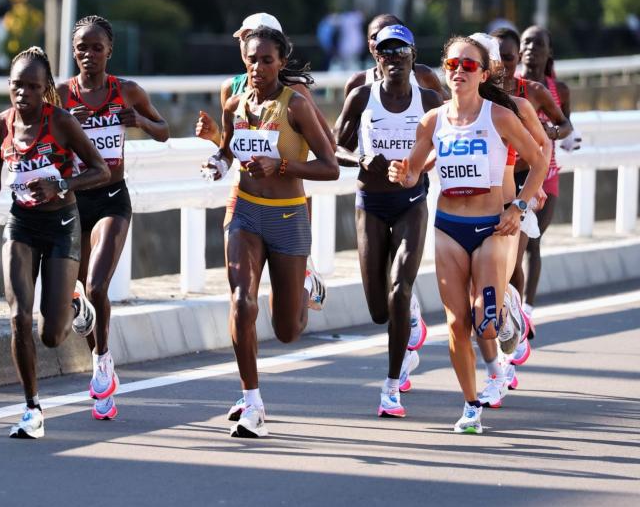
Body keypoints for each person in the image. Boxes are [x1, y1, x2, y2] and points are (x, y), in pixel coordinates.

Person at [388, 36, 547, 434]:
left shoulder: (500, 116)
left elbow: (539, 159)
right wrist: (402, 173)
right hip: (449, 229)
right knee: (457, 322)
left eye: (469, 65)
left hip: (492, 227)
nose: (459, 71)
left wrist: (520, 206)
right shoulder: (433, 120)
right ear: (445, 68)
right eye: (453, 64)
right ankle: (471, 405)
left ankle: (506, 307)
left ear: (483, 73)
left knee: (485, 324)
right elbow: (414, 168)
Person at [200, 26, 339, 438]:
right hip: (245, 214)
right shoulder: (235, 104)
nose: (258, 68)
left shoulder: (294, 104)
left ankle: (305, 282)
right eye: (251, 59)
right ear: (242, 60)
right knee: (242, 301)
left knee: (287, 331)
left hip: (287, 217)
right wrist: (216, 161)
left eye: (266, 60)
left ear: (281, 61)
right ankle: (253, 400)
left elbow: (329, 166)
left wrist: (281, 166)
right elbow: (228, 152)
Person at [0, 47, 110, 439]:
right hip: (21, 224)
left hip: (63, 223)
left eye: (32, 86)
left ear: (45, 88)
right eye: (17, 85)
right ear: (8, 86)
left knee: (52, 335)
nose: (23, 94)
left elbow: (100, 170)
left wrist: (60, 184)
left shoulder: (62, 123)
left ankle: (74, 303)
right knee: (17, 317)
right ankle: (32, 409)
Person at [57, 15, 169, 421]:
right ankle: (87, 331)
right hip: (71, 202)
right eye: (81, 47)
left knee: (97, 284)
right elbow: (36, 136)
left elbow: (164, 129)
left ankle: (103, 361)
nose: (88, 54)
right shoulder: (60, 96)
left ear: (109, 50)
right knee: (73, 296)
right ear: (73, 51)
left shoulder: (127, 91)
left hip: (111, 198)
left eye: (96, 47)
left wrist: (139, 121)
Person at [334, 24, 443, 418]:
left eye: (401, 52)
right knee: (379, 309)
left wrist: (418, 167)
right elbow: (335, 147)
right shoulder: (362, 97)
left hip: (412, 201)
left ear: (414, 55)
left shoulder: (429, 98)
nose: (394, 59)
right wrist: (360, 160)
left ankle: (392, 384)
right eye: (386, 52)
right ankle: (408, 314)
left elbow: (449, 141)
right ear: (376, 58)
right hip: (370, 203)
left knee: (399, 287)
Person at [467, 32, 551, 408]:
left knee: (490, 303)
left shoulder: (514, 106)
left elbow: (543, 148)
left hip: (504, 211)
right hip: (459, 214)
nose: (465, 69)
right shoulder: (455, 107)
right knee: (472, 304)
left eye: (476, 61)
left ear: (492, 67)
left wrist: (528, 192)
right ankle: (495, 373)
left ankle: (509, 308)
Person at [196, 13, 335, 149]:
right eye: (243, 38)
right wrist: (215, 136)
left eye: (252, 36)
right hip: (245, 173)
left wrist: (281, 166)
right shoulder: (230, 88)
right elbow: (235, 151)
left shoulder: (294, 89)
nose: (247, 44)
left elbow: (329, 145)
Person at [514, 25, 575, 327]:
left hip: (545, 174)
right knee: (515, 244)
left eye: (538, 44)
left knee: (533, 242)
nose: (530, 49)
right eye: (526, 42)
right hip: (513, 175)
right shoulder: (511, 86)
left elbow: (566, 126)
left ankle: (526, 310)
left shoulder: (556, 90)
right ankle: (510, 306)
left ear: (548, 52)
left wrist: (552, 132)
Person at [344, 14, 448, 100]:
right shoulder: (357, 83)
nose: (382, 41)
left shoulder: (423, 76)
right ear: (368, 44)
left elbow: (448, 112)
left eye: (390, 36)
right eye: (375, 37)